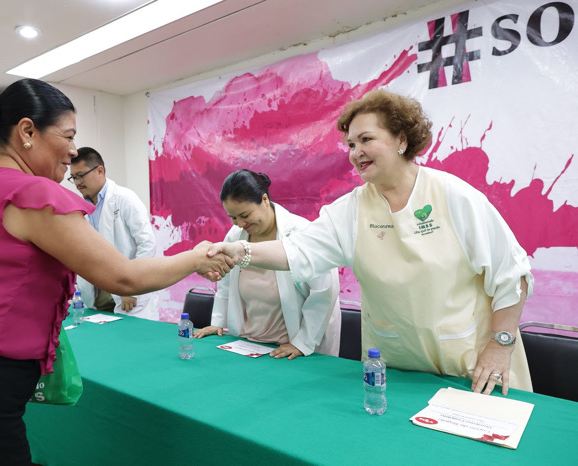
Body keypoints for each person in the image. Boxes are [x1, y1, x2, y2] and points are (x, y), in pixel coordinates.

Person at [0, 78, 232, 466]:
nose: (74, 152)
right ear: (27, 131)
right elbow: (123, 277)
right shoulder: (33, 195)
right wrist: (197, 257)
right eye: (68, 136)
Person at [208, 89, 533, 396]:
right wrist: (242, 251)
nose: (356, 152)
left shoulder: (454, 196)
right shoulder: (351, 210)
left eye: (366, 139)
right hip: (395, 367)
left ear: (401, 140)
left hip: (472, 362)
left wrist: (499, 345)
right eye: (350, 144)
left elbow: (511, 276)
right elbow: (297, 250)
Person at [194, 170, 341, 359]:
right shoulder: (234, 236)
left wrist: (302, 343)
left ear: (264, 200)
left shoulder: (302, 233)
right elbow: (225, 284)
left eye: (244, 215)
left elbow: (324, 292)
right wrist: (218, 322)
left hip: (293, 347)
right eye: (233, 217)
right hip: (250, 343)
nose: (239, 223)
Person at [69, 147, 159, 320]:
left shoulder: (125, 198)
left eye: (81, 175)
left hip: (128, 294)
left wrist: (132, 286)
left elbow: (147, 243)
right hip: (97, 295)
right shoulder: (79, 208)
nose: (78, 182)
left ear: (99, 170)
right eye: (73, 178)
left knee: (128, 341)